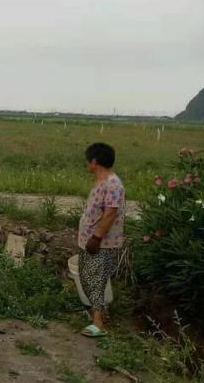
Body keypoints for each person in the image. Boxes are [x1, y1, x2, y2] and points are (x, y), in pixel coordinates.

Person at [77, 142, 125, 338]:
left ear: (94, 162)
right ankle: (97, 314)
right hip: (90, 241)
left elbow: (110, 214)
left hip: (102, 244)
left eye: (88, 161)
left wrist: (96, 238)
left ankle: (99, 323)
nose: (87, 164)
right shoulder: (102, 181)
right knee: (87, 278)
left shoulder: (112, 184)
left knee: (96, 280)